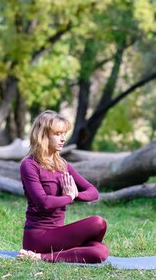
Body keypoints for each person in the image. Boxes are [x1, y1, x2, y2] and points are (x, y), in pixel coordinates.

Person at [17, 110, 109, 263]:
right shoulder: (29, 165)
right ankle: (39, 254)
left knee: (101, 251)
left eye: (64, 133)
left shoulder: (63, 165)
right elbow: (43, 202)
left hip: (58, 235)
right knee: (98, 222)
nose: (63, 139)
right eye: (58, 134)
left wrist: (75, 195)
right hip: (38, 236)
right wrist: (68, 197)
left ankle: (41, 257)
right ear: (43, 135)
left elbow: (93, 192)